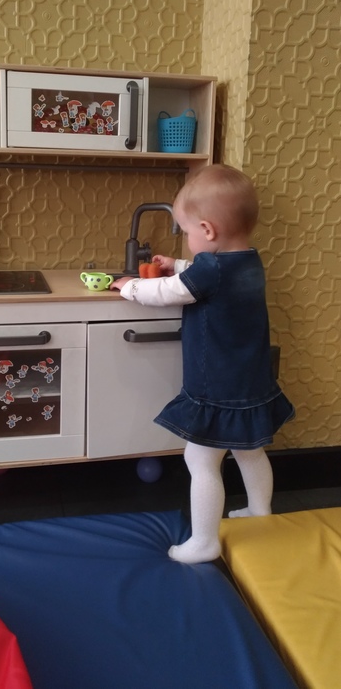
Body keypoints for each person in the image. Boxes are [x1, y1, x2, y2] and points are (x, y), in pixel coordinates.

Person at [111, 164, 295, 564]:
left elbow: (170, 292)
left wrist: (131, 287)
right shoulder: (248, 259)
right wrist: (178, 263)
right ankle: (260, 511)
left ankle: (205, 541)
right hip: (250, 379)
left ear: (208, 231)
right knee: (249, 451)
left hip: (216, 385)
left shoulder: (211, 269)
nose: (188, 240)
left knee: (199, 459)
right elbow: (206, 276)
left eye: (187, 232)